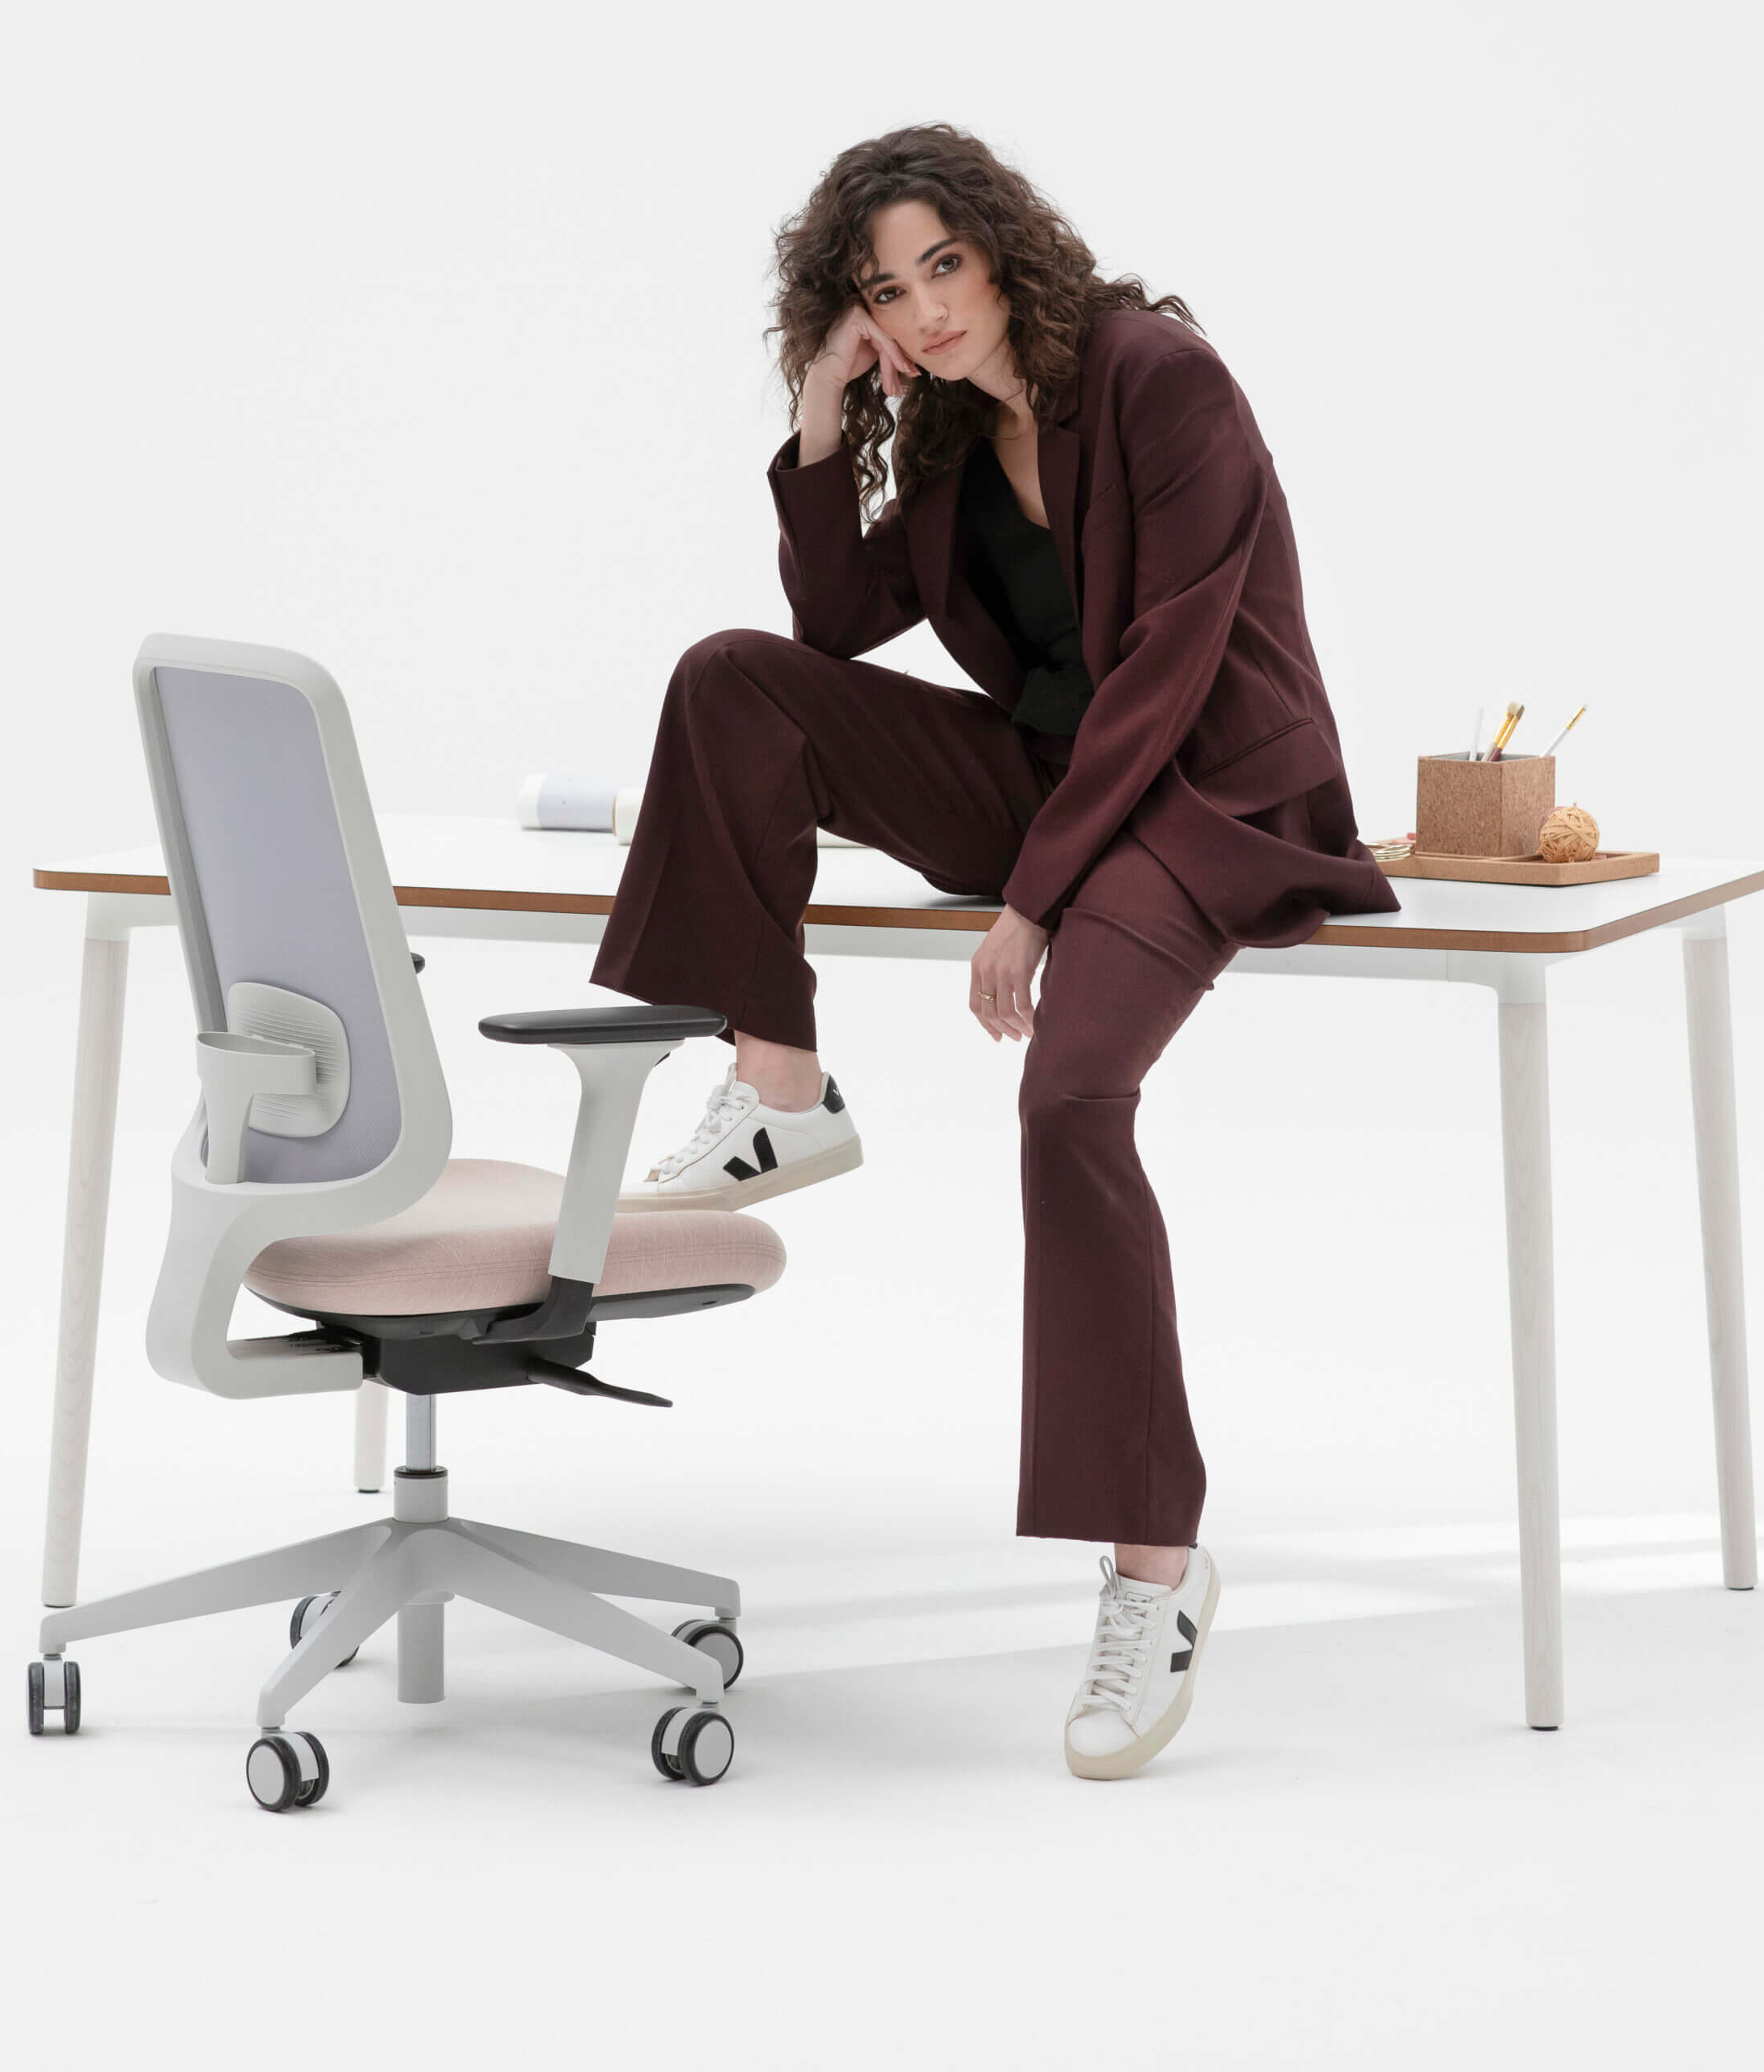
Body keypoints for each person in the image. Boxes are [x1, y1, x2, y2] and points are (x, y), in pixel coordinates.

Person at [590, 123, 1401, 1778]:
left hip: (1196, 790)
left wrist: (1031, 899)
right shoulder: (949, 437)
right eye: (888, 287)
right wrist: (828, 416)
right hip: (1047, 781)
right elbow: (828, 628)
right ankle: (778, 1074)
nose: (928, 309)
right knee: (729, 679)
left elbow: (1174, 665)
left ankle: (1154, 1568)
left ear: (1001, 246)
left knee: (1069, 1099)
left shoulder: (1158, 378)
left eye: (940, 267)